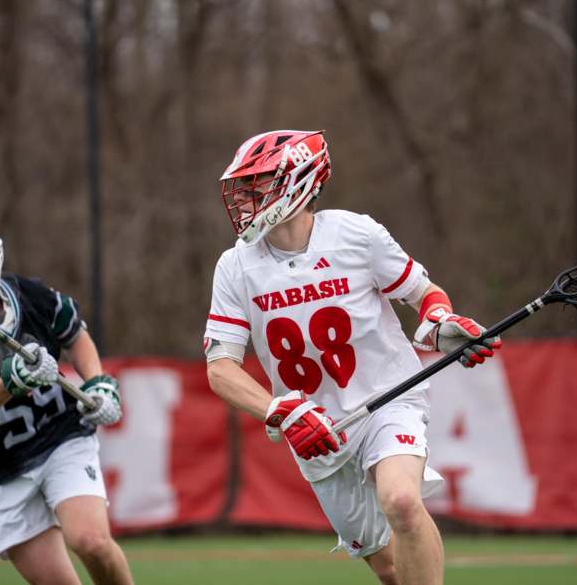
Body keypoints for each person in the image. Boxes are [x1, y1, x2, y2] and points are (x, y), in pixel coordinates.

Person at [204, 130, 501, 585]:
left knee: (402, 501)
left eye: (257, 184)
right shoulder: (235, 266)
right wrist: (278, 409)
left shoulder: (356, 233)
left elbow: (422, 292)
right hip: (317, 428)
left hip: (388, 398)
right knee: (388, 569)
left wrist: (439, 321)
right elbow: (221, 368)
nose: (244, 198)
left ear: (298, 181)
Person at [0, 208, 133, 585]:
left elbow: (74, 334)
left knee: (91, 541)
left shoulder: (25, 293)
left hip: (61, 436)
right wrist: (9, 383)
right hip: (0, 468)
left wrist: (97, 381)